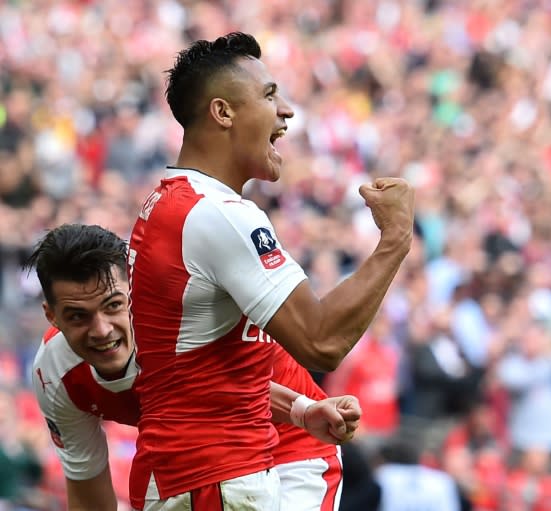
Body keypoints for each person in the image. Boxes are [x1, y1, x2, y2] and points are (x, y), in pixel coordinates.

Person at [126, 31, 414, 510]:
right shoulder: (217, 213)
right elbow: (321, 341)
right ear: (223, 112)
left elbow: (207, 372)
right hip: (216, 475)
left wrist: (298, 409)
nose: (286, 111)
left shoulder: (168, 205)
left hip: (188, 472)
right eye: (268, 94)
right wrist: (396, 242)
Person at [25, 223, 363, 511]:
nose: (101, 330)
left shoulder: (176, 315)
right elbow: (88, 491)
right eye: (77, 316)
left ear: (135, 289)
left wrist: (303, 411)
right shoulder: (55, 375)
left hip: (293, 441)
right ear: (52, 316)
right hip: (194, 456)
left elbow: (233, 390)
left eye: (113, 305)